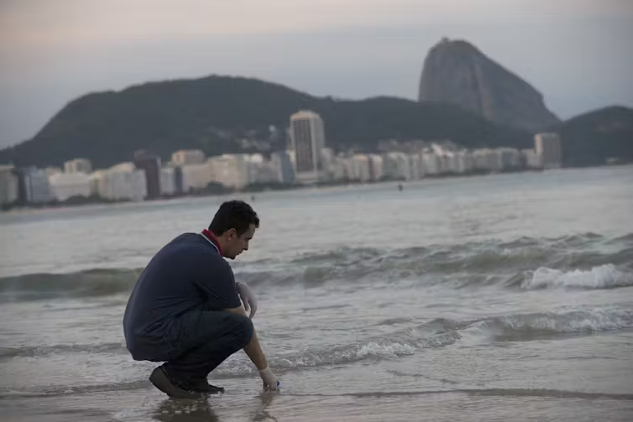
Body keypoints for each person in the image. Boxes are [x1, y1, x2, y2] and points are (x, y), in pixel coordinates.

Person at [123, 200, 279, 398]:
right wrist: (265, 372)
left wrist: (234, 286)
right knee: (241, 326)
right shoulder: (213, 263)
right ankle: (176, 375)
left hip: (140, 333)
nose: (246, 247)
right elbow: (242, 326)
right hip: (155, 335)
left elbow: (192, 282)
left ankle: (194, 378)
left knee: (218, 311)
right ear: (231, 234)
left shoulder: (189, 241)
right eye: (246, 239)